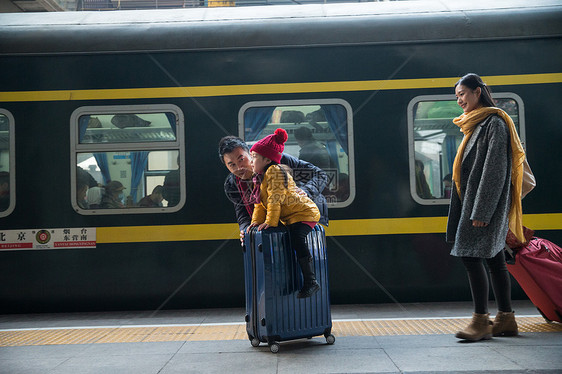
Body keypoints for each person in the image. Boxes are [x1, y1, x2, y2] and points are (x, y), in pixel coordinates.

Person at [447, 73, 526, 341]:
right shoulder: (476, 125)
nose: (459, 100)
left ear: (477, 92)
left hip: (484, 206)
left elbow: (495, 171)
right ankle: (506, 318)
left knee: (471, 257)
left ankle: (481, 321)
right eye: (457, 96)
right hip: (478, 203)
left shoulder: (494, 123)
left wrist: (481, 211)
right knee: (494, 259)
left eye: (462, 94)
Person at [247, 128, 321, 298]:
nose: (251, 161)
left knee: (297, 238)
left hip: (304, 214)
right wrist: (255, 222)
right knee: (288, 242)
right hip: (291, 217)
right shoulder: (260, 177)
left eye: (255, 157)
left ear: (267, 159)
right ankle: (295, 280)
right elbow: (259, 204)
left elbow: (275, 199)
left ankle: (311, 281)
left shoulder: (274, 171)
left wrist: (271, 222)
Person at [218, 135, 328, 243]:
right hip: (270, 225)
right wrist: (246, 230)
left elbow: (320, 175)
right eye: (232, 165)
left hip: (303, 217)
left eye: (241, 159)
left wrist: (306, 191)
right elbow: (242, 214)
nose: (239, 167)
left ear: (250, 153)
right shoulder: (233, 184)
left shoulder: (275, 158)